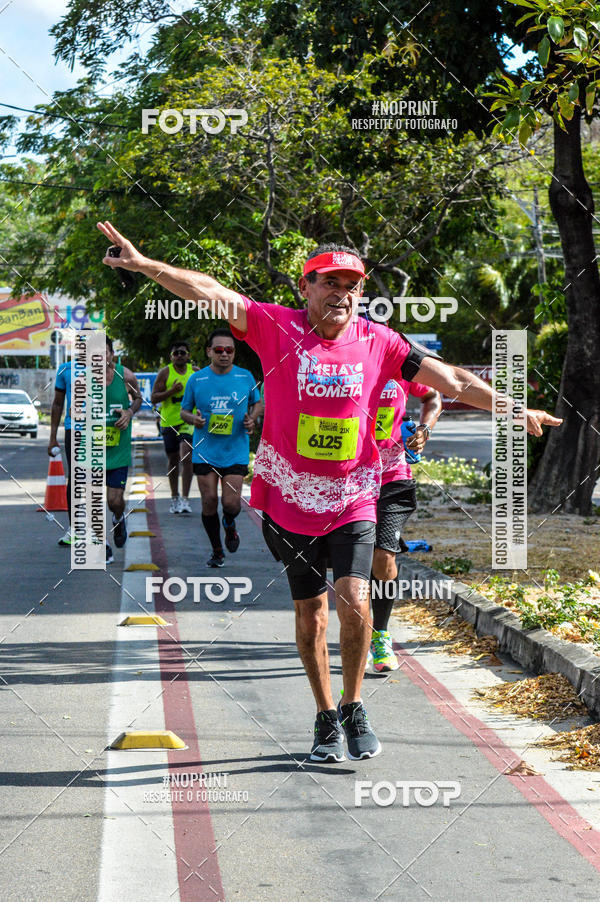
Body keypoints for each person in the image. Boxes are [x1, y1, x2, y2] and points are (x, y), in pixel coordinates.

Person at [97, 221, 563, 762]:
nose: (341, 293)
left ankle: (353, 703)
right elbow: (209, 291)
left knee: (354, 599)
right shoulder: (274, 325)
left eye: (351, 285)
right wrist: (144, 265)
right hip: (289, 496)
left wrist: (514, 408)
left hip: (354, 494)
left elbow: (452, 380)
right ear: (306, 287)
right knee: (311, 613)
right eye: (329, 283)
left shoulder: (381, 341)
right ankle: (324, 715)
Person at [368, 379, 442, 672]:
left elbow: (433, 396)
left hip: (393, 478)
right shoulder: (340, 365)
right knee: (351, 565)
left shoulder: (403, 366)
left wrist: (424, 430)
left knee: (383, 557)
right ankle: (354, 631)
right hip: (346, 479)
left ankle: (380, 635)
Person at [48, 335, 141, 563]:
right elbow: (72, 410)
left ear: (111, 354)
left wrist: (129, 412)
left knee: (114, 501)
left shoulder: (126, 375)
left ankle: (118, 518)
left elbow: (138, 398)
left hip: (117, 448)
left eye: (104, 352)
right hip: (90, 447)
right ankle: (102, 545)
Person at [180, 328, 261, 567]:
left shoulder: (245, 377)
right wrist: (193, 419)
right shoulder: (197, 379)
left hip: (235, 450)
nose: (224, 354)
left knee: (231, 504)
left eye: (229, 350)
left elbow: (258, 403)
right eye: (219, 350)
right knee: (208, 501)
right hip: (205, 450)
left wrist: (251, 419)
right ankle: (217, 550)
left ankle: (229, 523)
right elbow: (184, 411)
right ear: (209, 352)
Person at [150, 340, 197, 514]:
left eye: (182, 353)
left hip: (188, 421)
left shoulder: (195, 372)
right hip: (169, 421)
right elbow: (153, 398)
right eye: (176, 353)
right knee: (173, 460)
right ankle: (174, 497)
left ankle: (185, 499)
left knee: (186, 456)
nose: (179, 356)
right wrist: (172, 391)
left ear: (188, 355)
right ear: (171, 357)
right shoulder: (165, 373)